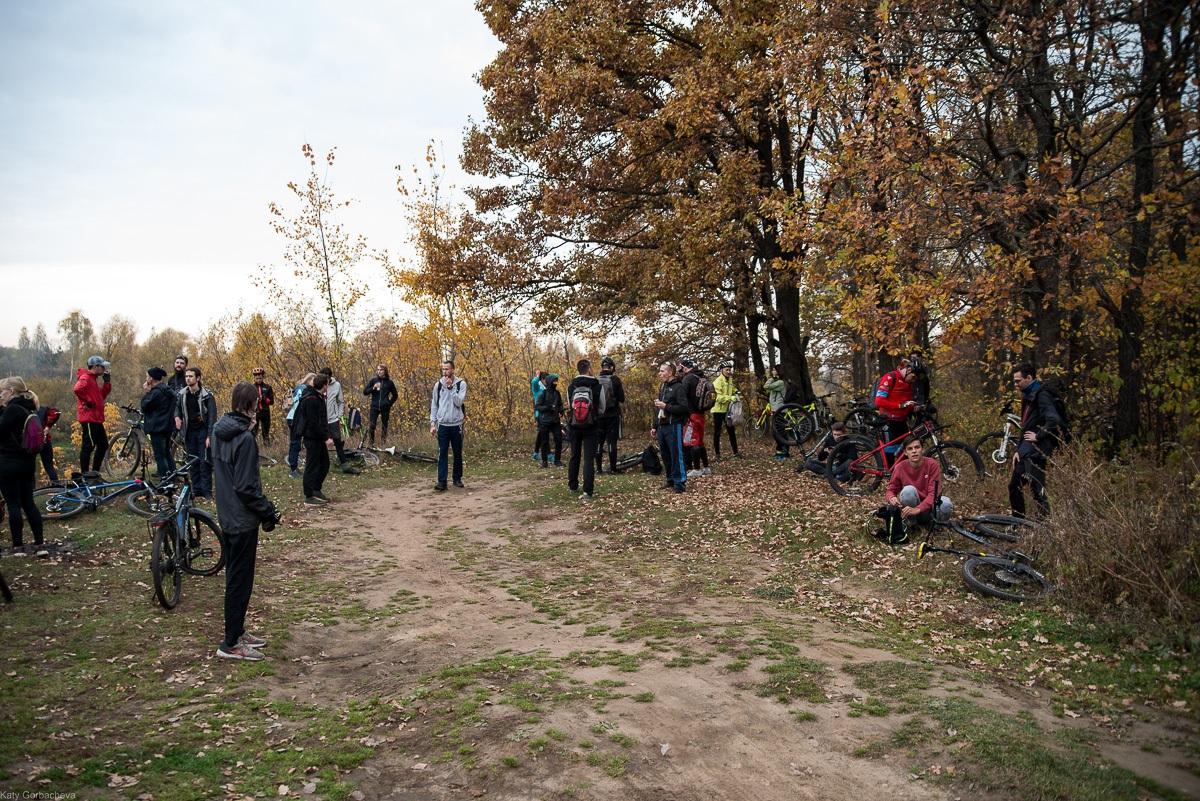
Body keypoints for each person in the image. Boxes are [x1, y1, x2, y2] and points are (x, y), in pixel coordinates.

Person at [212, 381, 281, 661]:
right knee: (239, 580)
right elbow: (245, 487)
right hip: (240, 518)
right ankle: (230, 643)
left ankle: (237, 631)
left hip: (228, 513)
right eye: (257, 403)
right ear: (252, 405)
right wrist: (269, 511)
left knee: (237, 577)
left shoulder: (220, 431)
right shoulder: (244, 439)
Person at [1010, 362, 1064, 520]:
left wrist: (1038, 435)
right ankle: (1018, 523)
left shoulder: (1042, 395)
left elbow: (1054, 419)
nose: (1016, 384)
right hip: (1025, 450)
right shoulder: (1028, 395)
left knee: (1037, 490)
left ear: (1029, 378)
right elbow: (1026, 425)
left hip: (1037, 451)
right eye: (1014, 381)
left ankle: (1043, 527)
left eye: (1018, 380)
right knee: (1014, 487)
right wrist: (1017, 451)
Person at [0, 377, 45, 555]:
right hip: (28, 463)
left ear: (11, 391)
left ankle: (18, 547)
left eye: (2, 391)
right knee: (29, 503)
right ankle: (39, 545)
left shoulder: (12, 410)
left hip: (8, 463)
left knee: (13, 505)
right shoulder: (29, 408)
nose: (0, 395)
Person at [877, 434, 944, 543]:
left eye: (917, 447)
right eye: (910, 449)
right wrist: (892, 498)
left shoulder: (932, 464)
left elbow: (933, 494)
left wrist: (918, 509)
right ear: (905, 452)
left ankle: (935, 527)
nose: (914, 451)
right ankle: (913, 525)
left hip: (928, 509)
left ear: (923, 449)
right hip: (910, 508)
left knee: (946, 504)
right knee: (908, 490)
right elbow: (891, 489)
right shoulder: (900, 467)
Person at [174, 366, 217, 500]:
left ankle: (206, 490)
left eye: (190, 376)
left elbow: (212, 417)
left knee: (205, 461)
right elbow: (177, 408)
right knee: (192, 461)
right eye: (186, 376)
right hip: (189, 432)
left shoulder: (206, 395)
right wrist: (177, 417)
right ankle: (196, 489)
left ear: (197, 378)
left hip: (203, 431)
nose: (188, 379)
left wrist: (209, 436)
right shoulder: (182, 394)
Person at [874, 358, 923, 465]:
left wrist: (913, 406)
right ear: (909, 370)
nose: (913, 380)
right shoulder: (890, 377)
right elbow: (879, 401)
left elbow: (906, 401)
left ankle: (902, 475)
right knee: (890, 450)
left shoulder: (908, 382)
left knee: (905, 450)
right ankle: (890, 476)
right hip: (888, 420)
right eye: (913, 376)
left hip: (902, 421)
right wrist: (900, 405)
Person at [650, 362, 689, 493]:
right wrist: (655, 426)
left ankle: (679, 484)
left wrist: (666, 407)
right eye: (660, 371)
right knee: (665, 455)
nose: (660, 374)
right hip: (662, 426)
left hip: (673, 426)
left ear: (670, 372)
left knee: (676, 455)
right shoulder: (663, 386)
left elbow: (683, 408)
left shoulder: (678, 387)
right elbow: (659, 408)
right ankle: (670, 480)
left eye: (662, 371)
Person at [566, 359, 602, 500]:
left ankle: (573, 486)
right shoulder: (596, 385)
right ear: (589, 370)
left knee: (574, 455)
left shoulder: (571, 386)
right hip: (591, 425)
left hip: (574, 425)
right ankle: (588, 491)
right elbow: (602, 407)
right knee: (588, 458)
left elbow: (570, 405)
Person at [296, 373, 333, 505]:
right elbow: (313, 422)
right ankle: (308, 496)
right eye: (328, 383)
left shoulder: (318, 397)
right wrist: (325, 438)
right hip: (312, 438)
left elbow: (322, 420)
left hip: (319, 437)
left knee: (324, 464)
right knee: (311, 466)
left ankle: (316, 490)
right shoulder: (311, 399)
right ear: (324, 385)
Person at [430, 360, 467, 490]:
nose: (445, 372)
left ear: (452, 370)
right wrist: (433, 424)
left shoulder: (461, 384)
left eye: (447, 369)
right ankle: (442, 481)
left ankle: (457, 478)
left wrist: (451, 388)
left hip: (456, 424)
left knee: (457, 452)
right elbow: (434, 404)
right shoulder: (438, 385)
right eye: (443, 369)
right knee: (442, 453)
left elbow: (459, 402)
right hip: (443, 424)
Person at [74, 355, 112, 473]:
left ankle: (94, 473)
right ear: (95, 366)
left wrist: (106, 384)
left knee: (103, 445)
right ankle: (85, 476)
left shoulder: (93, 380)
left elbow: (100, 397)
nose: (104, 369)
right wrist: (88, 401)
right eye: (102, 367)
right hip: (89, 418)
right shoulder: (86, 377)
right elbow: (77, 389)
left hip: (96, 419)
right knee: (88, 447)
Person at [318, 368, 360, 476]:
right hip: (321, 419)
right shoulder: (317, 383)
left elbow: (341, 402)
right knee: (320, 443)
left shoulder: (336, 385)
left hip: (333, 419)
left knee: (337, 442)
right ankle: (320, 466)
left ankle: (345, 466)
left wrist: (339, 416)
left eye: (326, 378)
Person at [141, 367, 177, 479]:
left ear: (152, 379)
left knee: (160, 456)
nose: (146, 378)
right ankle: (173, 476)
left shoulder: (156, 393)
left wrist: (147, 393)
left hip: (157, 428)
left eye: (147, 376)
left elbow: (145, 407)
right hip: (167, 427)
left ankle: (165, 480)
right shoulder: (168, 390)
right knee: (167, 453)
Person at [679, 359, 711, 477]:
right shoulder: (702, 377)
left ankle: (697, 469)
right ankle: (706, 467)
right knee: (701, 441)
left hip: (691, 414)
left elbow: (683, 395)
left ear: (685, 368)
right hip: (701, 413)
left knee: (693, 441)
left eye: (681, 368)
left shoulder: (688, 379)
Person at [594, 357, 626, 474]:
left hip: (599, 415)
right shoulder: (615, 379)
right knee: (611, 441)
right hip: (612, 415)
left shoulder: (595, 380)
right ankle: (613, 469)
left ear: (602, 367)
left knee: (599, 441)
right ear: (612, 367)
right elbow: (622, 399)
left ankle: (598, 469)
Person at [285, 373, 316, 479]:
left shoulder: (300, 389)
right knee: (295, 443)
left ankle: (295, 468)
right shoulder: (303, 390)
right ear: (308, 381)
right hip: (295, 418)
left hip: (295, 418)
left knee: (297, 443)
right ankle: (292, 469)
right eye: (313, 380)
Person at [362, 364, 398, 446]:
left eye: (381, 370)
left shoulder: (389, 383)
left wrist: (389, 403)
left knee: (384, 426)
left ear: (385, 371)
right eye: (378, 370)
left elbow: (395, 395)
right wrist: (373, 388)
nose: (379, 371)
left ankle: (383, 443)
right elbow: (365, 392)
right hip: (374, 407)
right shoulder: (373, 380)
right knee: (372, 425)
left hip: (385, 407)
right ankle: (371, 443)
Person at [711, 361, 741, 460]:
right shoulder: (717, 382)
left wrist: (735, 391)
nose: (728, 371)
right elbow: (718, 397)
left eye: (729, 369)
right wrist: (729, 398)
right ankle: (717, 454)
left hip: (728, 410)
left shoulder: (729, 380)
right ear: (721, 371)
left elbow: (731, 389)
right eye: (726, 370)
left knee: (731, 431)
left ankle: (735, 453)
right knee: (717, 432)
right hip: (718, 410)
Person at [535, 374, 563, 468]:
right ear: (550, 382)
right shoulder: (543, 393)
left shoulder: (557, 393)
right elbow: (538, 406)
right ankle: (544, 461)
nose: (556, 383)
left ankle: (557, 460)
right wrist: (548, 408)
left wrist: (561, 411)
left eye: (556, 382)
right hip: (545, 421)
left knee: (558, 440)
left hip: (555, 421)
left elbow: (560, 404)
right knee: (544, 441)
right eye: (554, 382)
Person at [764, 366, 789, 459]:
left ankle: (786, 452)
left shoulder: (780, 383)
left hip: (780, 410)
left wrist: (771, 379)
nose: (772, 371)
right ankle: (779, 451)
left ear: (778, 372)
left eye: (774, 370)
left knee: (781, 431)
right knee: (775, 432)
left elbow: (766, 386)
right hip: (775, 409)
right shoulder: (777, 382)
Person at [35, 404, 61, 485]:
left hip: (31, 442)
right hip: (45, 440)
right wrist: (48, 426)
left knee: (30, 467)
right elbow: (57, 412)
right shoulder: (43, 409)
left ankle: (32, 490)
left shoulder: (23, 410)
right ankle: (56, 486)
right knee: (49, 466)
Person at [251, 368, 275, 444]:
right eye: (257, 378)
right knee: (253, 431)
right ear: (254, 378)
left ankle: (266, 445)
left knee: (266, 431)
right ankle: (253, 445)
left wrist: (264, 399)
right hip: (255, 412)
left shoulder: (268, 387)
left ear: (263, 377)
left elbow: (271, 401)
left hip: (265, 411)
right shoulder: (251, 387)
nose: (258, 380)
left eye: (260, 378)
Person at [531, 370, 548, 462]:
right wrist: (538, 375)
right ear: (541, 380)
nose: (547, 382)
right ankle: (549, 455)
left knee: (541, 434)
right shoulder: (538, 387)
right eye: (546, 380)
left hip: (546, 414)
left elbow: (555, 376)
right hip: (539, 414)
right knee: (544, 434)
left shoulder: (547, 388)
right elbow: (533, 382)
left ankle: (535, 453)